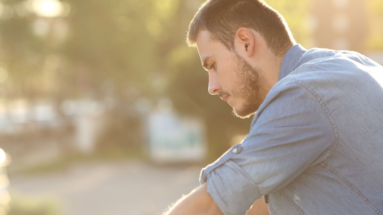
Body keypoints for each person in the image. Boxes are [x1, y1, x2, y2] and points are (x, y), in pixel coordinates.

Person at [164, 0, 383, 214]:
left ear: (245, 42)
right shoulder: (350, 65)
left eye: (213, 66)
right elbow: (263, 203)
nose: (212, 87)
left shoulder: (303, 95)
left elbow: (211, 204)